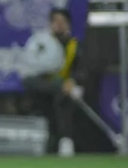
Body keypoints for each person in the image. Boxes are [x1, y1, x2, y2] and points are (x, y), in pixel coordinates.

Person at [21, 8, 83, 157]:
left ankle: (65, 140)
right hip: (41, 84)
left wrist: (72, 82)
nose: (59, 25)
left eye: (63, 22)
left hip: (64, 88)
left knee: (62, 97)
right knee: (44, 87)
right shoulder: (41, 41)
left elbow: (81, 70)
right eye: (56, 21)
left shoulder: (74, 45)